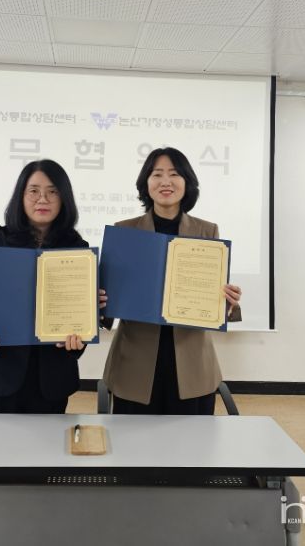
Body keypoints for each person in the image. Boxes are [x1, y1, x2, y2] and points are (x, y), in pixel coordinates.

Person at [102, 147, 242, 415]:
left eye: (174, 174)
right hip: (134, 364)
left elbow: (213, 296)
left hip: (191, 363)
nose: (165, 181)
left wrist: (228, 303)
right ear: (146, 183)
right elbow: (109, 303)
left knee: (191, 439)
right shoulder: (124, 231)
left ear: (187, 182)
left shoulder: (206, 230)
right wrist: (101, 302)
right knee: (134, 439)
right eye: (157, 174)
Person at [0, 159, 97, 414]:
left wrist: (81, 334)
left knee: (44, 442)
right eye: (33, 191)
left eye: (52, 191)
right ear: (20, 196)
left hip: (50, 383)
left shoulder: (78, 249)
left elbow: (80, 318)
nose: (42, 199)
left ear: (64, 198)